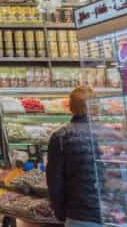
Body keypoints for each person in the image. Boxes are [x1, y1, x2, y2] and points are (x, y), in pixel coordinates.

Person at [46, 86, 103, 227]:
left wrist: (60, 213)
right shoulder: (105, 134)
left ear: (70, 107)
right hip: (107, 213)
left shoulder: (60, 136)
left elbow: (54, 181)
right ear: (95, 107)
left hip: (78, 214)